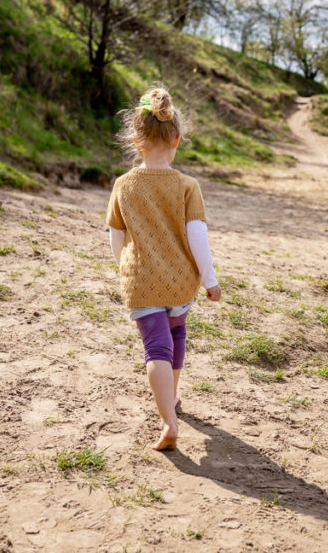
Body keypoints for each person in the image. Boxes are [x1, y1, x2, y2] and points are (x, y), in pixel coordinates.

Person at [105, 87, 221, 451]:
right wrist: (210, 279)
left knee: (155, 346)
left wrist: (125, 268)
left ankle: (168, 421)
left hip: (141, 281)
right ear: (177, 140)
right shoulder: (188, 186)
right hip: (180, 281)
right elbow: (197, 236)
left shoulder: (123, 185)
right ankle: (171, 398)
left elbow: (115, 236)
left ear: (135, 140)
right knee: (177, 337)